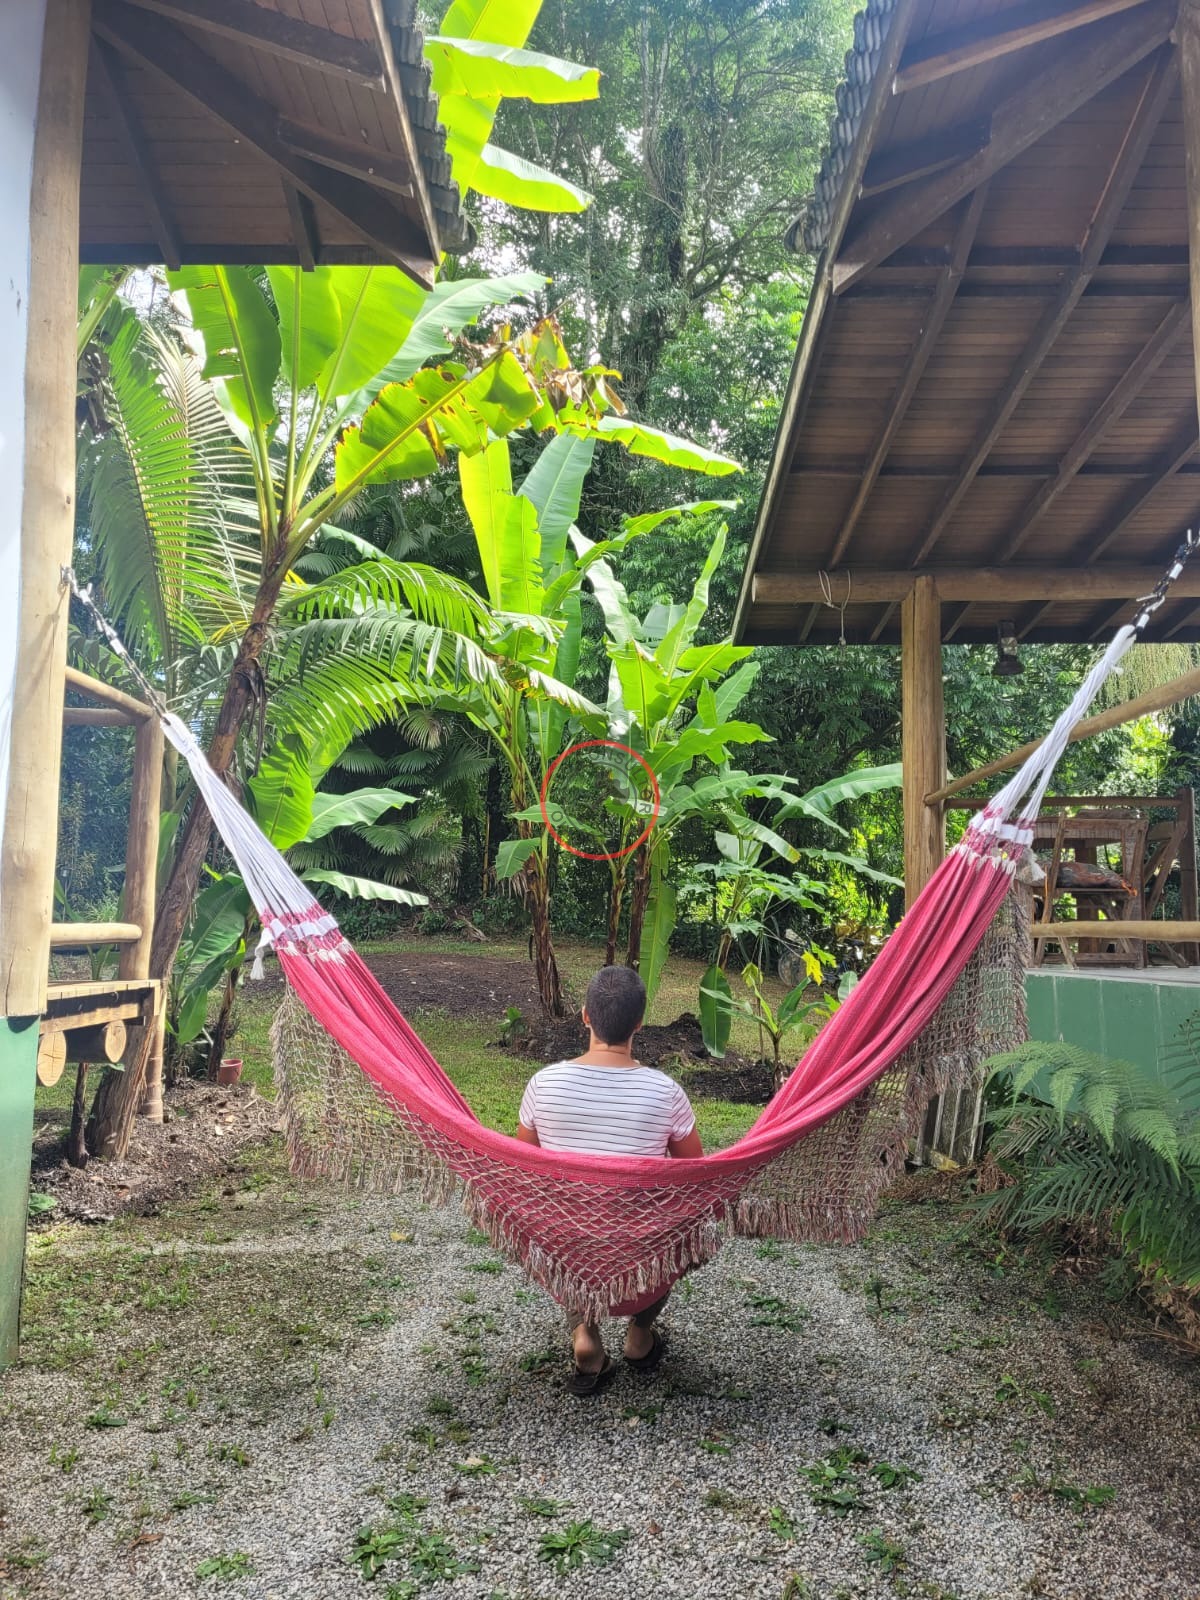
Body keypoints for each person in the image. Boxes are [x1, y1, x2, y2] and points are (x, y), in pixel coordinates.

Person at [515, 964, 703, 1396]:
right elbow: (696, 1176)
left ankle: (585, 1332)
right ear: (639, 1023)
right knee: (680, 1226)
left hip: (570, 1256)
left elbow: (525, 1168)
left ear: (585, 1016)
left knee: (566, 1223)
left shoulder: (543, 1084)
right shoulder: (666, 1092)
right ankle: (639, 1335)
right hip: (640, 1265)